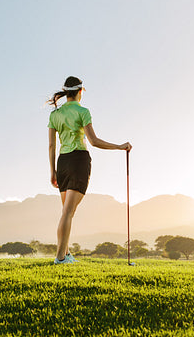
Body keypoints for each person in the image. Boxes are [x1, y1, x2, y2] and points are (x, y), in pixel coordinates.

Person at [47, 76, 132, 264]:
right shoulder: (83, 111)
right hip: (78, 161)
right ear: (80, 91)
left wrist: (52, 172)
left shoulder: (55, 115)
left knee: (66, 211)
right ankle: (60, 258)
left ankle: (65, 253)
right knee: (67, 212)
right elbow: (93, 141)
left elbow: (52, 146)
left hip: (62, 162)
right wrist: (119, 146)